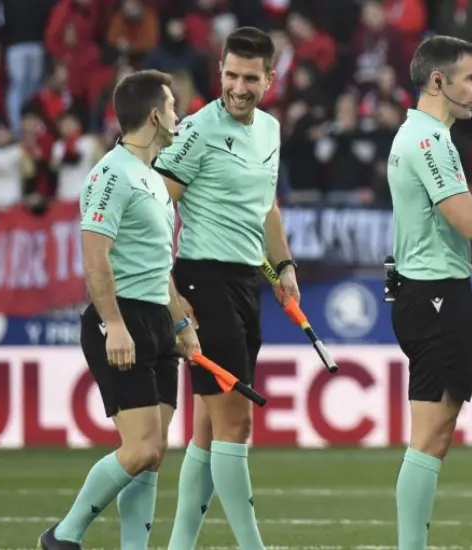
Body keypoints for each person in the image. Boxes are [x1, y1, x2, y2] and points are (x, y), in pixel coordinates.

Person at [40, 69, 201, 550]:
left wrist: (182, 324)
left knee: (155, 454)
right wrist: (114, 325)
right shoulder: (110, 174)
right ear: (155, 114)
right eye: (173, 106)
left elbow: (159, 265)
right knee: (141, 448)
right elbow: (94, 256)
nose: (179, 113)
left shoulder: (152, 178)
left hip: (157, 321)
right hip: (123, 319)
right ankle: (64, 535)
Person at [152, 27, 297, 550]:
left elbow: (267, 205)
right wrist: (170, 291)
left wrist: (283, 267)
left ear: (270, 79)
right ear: (219, 70)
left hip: (245, 283)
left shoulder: (271, 131)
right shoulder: (194, 132)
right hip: (202, 281)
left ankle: (178, 546)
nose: (238, 87)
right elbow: (152, 206)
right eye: (231, 75)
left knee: (209, 432)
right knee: (236, 426)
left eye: (250, 78)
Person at [386, 35, 472, 550]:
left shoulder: (420, 135)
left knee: (433, 436)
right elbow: (469, 221)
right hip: (436, 296)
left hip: (425, 292)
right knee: (432, 436)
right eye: (471, 78)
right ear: (438, 81)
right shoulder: (430, 141)